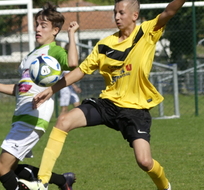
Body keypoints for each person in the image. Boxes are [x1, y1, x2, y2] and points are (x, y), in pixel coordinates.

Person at [24, 0, 186, 189]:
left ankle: (165, 186)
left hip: (135, 110)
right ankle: (42, 181)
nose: (116, 17)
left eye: (121, 13)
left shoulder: (146, 31)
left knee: (145, 162)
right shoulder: (104, 45)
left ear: (134, 16)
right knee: (63, 121)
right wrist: (51, 89)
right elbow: (80, 71)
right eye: (114, 12)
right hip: (107, 104)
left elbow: (169, 11)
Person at [0, 2, 79, 190]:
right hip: (21, 116)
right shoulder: (30, 56)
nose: (37, 28)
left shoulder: (54, 51)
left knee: (1, 169)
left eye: (43, 26)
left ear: (55, 30)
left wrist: (71, 35)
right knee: (11, 168)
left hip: (33, 116)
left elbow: (73, 63)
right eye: (37, 24)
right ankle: (63, 181)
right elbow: (18, 89)